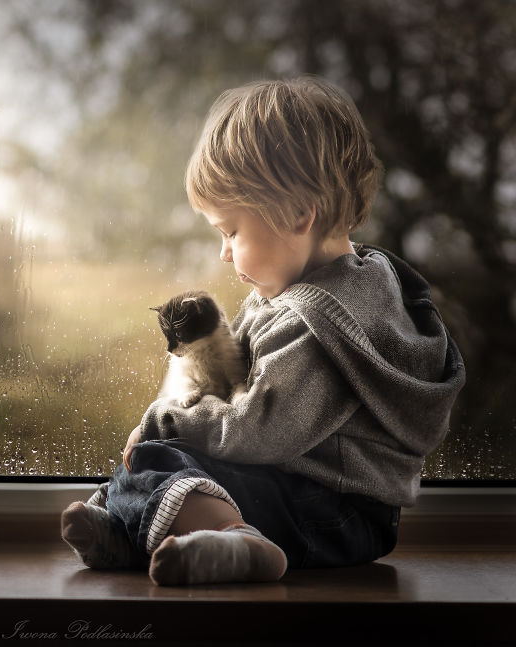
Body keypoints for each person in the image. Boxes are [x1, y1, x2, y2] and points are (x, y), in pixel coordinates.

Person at [60, 76, 466, 586]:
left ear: (298, 212)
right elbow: (239, 386)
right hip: (325, 506)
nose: (224, 252)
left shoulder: (317, 323)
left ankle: (236, 539)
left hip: (331, 516)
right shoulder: (362, 283)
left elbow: (254, 429)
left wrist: (168, 421)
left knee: (161, 453)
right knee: (159, 458)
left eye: (231, 231)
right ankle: (132, 530)